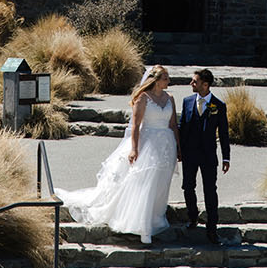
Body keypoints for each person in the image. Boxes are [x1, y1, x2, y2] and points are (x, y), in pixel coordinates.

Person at [57, 65, 179, 245]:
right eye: (165, 77)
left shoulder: (170, 98)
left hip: (166, 145)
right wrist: (134, 149)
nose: (168, 81)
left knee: (161, 181)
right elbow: (136, 126)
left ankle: (156, 217)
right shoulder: (143, 98)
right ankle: (142, 226)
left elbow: (173, 124)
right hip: (148, 144)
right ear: (155, 79)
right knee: (146, 181)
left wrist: (178, 146)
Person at [177, 68, 230, 243]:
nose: (191, 84)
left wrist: (226, 157)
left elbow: (223, 134)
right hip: (189, 154)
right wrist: (178, 150)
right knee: (188, 186)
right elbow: (182, 128)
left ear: (205, 85)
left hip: (208, 156)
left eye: (194, 81)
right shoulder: (187, 102)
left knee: (210, 191)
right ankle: (192, 217)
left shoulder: (218, 106)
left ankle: (212, 229)